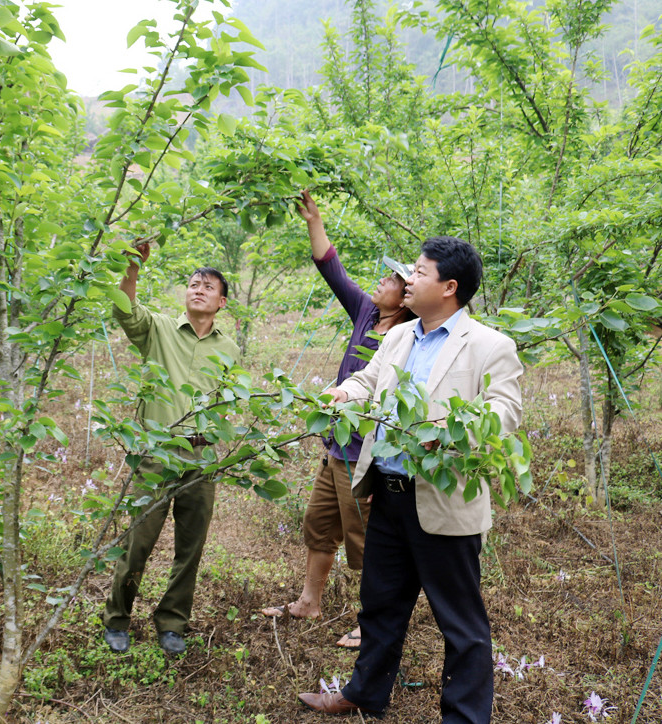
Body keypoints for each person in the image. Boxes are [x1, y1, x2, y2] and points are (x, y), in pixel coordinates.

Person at [297, 236, 523, 723]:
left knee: (460, 624)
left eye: (420, 272)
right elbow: (368, 380)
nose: (409, 279)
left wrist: (450, 434)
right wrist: (342, 393)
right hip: (389, 493)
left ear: (449, 287)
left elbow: (505, 412)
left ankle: (464, 717)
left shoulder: (489, 346)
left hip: (445, 501)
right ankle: (364, 693)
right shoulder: (399, 336)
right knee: (379, 605)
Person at [261, 190, 414, 649]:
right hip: (335, 447)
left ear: (406, 296)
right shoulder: (367, 313)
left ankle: (375, 622)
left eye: (390, 279)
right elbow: (331, 267)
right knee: (319, 524)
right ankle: (309, 602)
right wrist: (315, 221)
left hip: (365, 453)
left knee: (367, 541)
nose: (380, 282)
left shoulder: (408, 336)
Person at [102, 241, 241, 657]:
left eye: (208, 286)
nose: (198, 289)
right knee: (138, 541)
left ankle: (172, 622)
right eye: (193, 284)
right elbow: (124, 310)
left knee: (190, 546)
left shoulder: (229, 349)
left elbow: (226, 401)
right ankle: (117, 618)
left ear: (222, 301)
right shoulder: (159, 328)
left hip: (202, 457)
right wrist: (132, 268)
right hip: (156, 455)